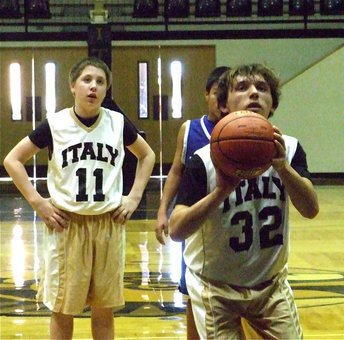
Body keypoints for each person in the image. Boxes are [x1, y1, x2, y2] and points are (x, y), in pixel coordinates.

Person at [3, 56, 155, 340]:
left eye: (100, 82)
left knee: (104, 308)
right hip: (67, 224)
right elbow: (13, 160)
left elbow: (148, 155)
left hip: (108, 223)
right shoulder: (56, 123)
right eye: (86, 80)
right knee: (63, 309)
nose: (93, 87)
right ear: (73, 85)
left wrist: (134, 197)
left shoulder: (118, 123)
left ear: (106, 89)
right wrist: (39, 202)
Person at [169, 63, 319, 339]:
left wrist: (284, 168)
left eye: (262, 88)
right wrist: (220, 193)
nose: (254, 93)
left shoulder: (291, 149)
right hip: (215, 286)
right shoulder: (203, 160)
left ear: (272, 104)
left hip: (270, 285)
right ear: (224, 104)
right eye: (242, 87)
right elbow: (176, 230)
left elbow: (311, 209)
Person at [155, 66, 230, 339]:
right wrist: (163, 210)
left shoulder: (245, 129)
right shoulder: (190, 129)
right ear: (207, 94)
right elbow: (176, 170)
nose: (221, 99)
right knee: (193, 295)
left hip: (232, 222)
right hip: (196, 223)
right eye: (216, 92)